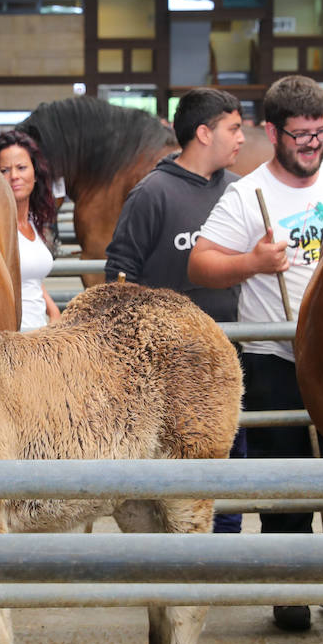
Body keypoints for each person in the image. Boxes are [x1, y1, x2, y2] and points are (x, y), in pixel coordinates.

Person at [187, 74, 323, 632]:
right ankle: (290, 589)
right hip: (274, 355)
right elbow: (201, 263)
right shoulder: (245, 193)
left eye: (320, 134)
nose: (312, 146)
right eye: (300, 136)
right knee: (286, 485)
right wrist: (254, 264)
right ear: (272, 131)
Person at [104, 86, 248, 535]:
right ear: (204, 133)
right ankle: (174, 561)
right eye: (234, 128)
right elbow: (119, 273)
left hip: (228, 356)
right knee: (174, 470)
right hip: (171, 368)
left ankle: (222, 551)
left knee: (229, 458)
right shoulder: (152, 194)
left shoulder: (238, 191)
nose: (243, 138)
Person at [0, 130, 60, 330]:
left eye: (21, 167)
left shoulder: (33, 221)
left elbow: (31, 278)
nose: (14, 176)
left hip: (39, 339)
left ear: (35, 174)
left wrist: (53, 311)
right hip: (9, 342)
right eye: (4, 170)